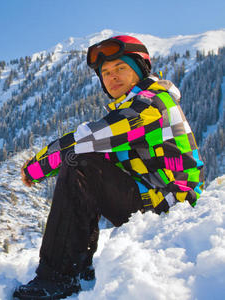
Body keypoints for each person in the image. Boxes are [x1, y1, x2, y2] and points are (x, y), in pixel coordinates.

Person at [13, 35, 205, 299]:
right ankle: (77, 267)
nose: (112, 77)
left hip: (172, 203)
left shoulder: (151, 104)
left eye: (121, 68)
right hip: (154, 198)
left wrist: (38, 165)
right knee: (88, 163)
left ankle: (58, 277)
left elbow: (90, 138)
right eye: (106, 72)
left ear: (140, 70)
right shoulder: (137, 105)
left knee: (80, 161)